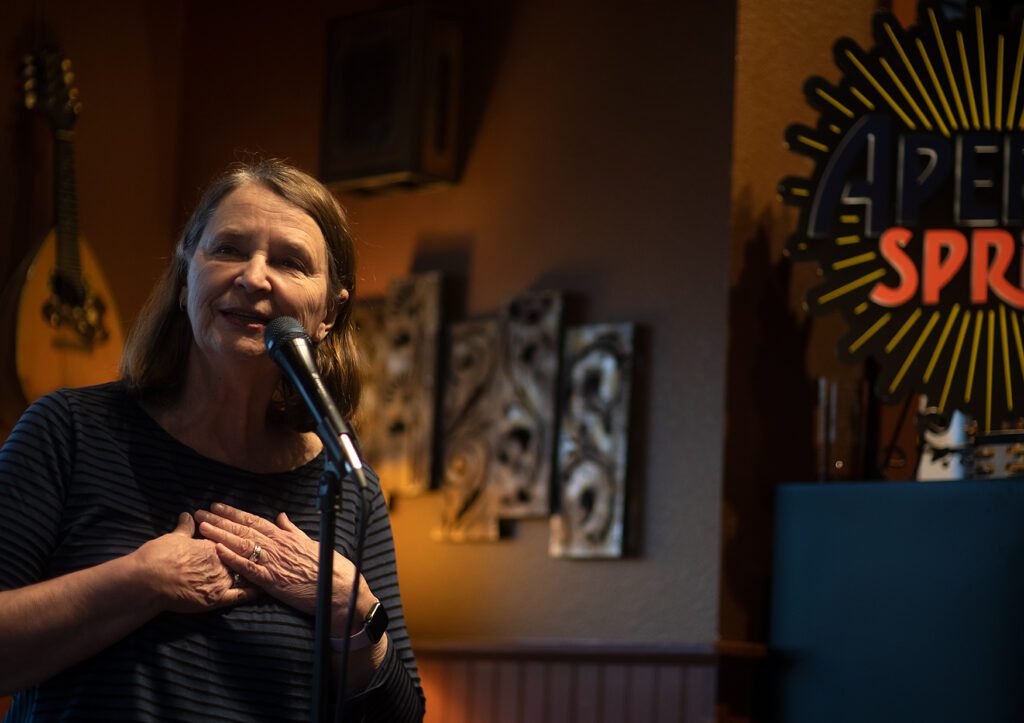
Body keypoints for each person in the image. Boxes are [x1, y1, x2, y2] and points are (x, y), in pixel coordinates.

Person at [0, 159, 425, 721]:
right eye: (227, 249)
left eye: (290, 262)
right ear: (185, 282)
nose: (253, 277)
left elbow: (398, 715)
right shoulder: (68, 431)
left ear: (328, 313)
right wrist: (142, 581)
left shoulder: (349, 487)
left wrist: (354, 610)